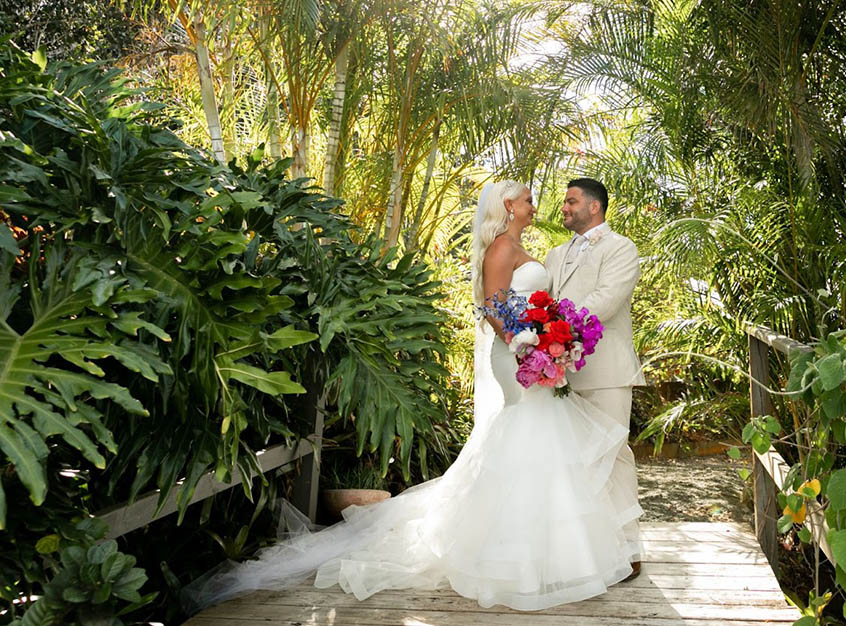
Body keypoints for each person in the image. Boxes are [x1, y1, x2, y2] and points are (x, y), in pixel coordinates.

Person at [184, 179, 641, 613]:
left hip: (557, 357)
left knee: (563, 449)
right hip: (523, 355)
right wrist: (527, 342)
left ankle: (568, 547)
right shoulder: (511, 249)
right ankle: (525, 554)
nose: (539, 206)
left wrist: (549, 340)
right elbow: (493, 305)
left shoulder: (567, 249)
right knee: (528, 438)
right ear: (507, 207)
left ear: (594, 206)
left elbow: (559, 302)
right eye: (527, 200)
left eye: (564, 201)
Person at [545, 177, 646, 579]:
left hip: (605, 370)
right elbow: (544, 301)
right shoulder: (554, 254)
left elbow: (606, 299)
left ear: (595, 206)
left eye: (571, 201)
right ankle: (586, 551)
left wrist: (555, 329)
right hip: (561, 374)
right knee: (573, 460)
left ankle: (629, 549)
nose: (564, 208)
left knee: (614, 456)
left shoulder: (621, 248)